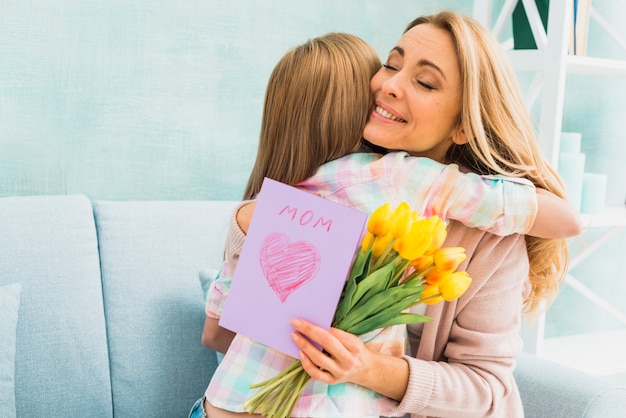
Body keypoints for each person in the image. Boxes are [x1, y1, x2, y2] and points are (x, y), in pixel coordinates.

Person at [192, 20, 580, 417]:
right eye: (391, 65)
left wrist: (369, 368)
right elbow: (220, 335)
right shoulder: (316, 192)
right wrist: (247, 230)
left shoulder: (474, 224)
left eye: (426, 83)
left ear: (464, 124)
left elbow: (486, 392)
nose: (389, 86)